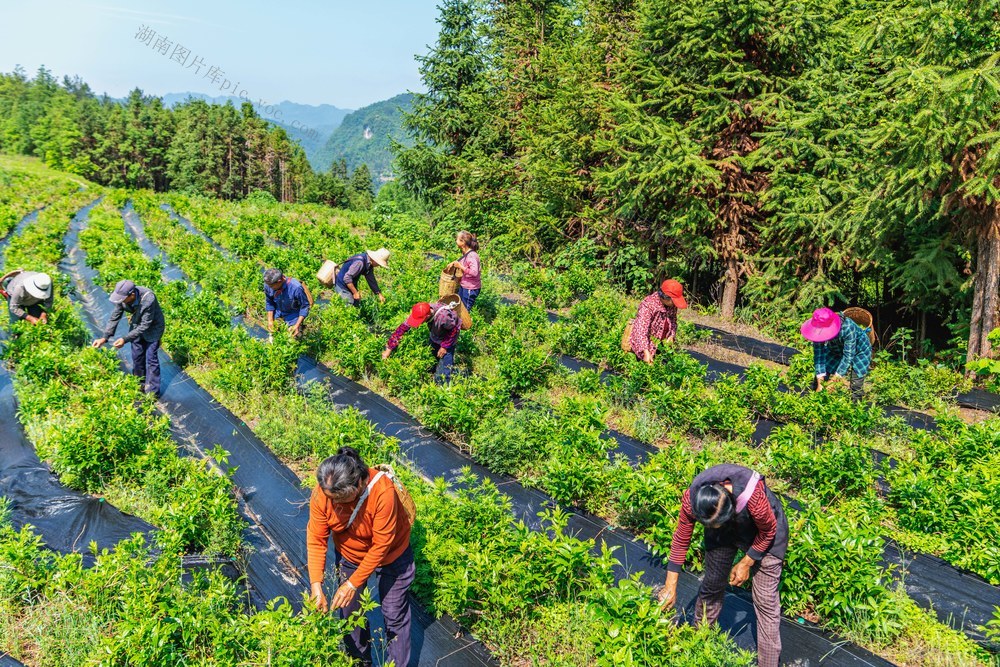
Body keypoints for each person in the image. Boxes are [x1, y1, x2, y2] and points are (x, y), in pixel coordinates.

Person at [658, 464, 788, 667]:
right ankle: (698, 646)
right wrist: (670, 585)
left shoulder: (753, 498)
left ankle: (769, 664)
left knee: (765, 602)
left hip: (765, 534)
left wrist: (747, 561)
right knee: (712, 585)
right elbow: (682, 538)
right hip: (723, 532)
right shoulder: (693, 499)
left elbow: (768, 531)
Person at [307, 447, 414, 667]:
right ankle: (359, 662)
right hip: (350, 553)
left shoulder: (382, 492)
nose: (335, 505)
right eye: (331, 499)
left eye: (342, 501)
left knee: (394, 615)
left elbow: (381, 545)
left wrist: (352, 583)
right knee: (349, 612)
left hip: (392, 552)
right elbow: (316, 539)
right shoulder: (323, 492)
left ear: (360, 484)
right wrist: (316, 585)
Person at [92, 279, 166, 397]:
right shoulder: (123, 298)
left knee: (151, 358)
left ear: (132, 295)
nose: (120, 301)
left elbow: (145, 325)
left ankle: (153, 392)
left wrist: (125, 339)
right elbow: (115, 317)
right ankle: (139, 383)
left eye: (122, 299)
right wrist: (104, 338)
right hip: (137, 324)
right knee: (137, 355)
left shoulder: (148, 298)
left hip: (153, 327)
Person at [801, 307, 872, 401]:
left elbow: (848, 356)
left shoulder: (847, 328)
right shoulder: (817, 331)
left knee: (856, 385)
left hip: (860, 350)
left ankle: (855, 408)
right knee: (819, 380)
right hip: (836, 349)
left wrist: (834, 381)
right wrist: (820, 383)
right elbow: (819, 356)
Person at [382, 300, 461, 383]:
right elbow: (402, 329)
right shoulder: (419, 312)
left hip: (448, 340)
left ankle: (444, 386)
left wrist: (444, 346)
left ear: (427, 316)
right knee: (432, 359)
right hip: (435, 336)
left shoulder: (443, 317)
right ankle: (430, 376)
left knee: (446, 367)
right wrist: (389, 349)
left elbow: (454, 330)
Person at [629, 279, 688, 363]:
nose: (675, 304)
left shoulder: (672, 305)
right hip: (648, 346)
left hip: (664, 345)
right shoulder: (648, 305)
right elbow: (641, 330)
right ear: (664, 297)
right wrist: (646, 352)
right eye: (673, 301)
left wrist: (671, 335)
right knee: (647, 372)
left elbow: (673, 321)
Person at [263, 268, 310, 338]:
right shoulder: (268, 284)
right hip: (278, 314)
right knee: (273, 336)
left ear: (279, 281)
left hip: (293, 316)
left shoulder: (296, 287)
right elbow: (269, 302)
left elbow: (305, 306)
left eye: (271, 286)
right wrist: (270, 321)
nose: (269, 287)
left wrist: (297, 325)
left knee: (294, 337)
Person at [448, 231, 481, 311]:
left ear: (463, 242)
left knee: (464, 311)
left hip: (470, 288)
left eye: (457, 239)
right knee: (459, 308)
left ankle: (465, 323)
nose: (456, 241)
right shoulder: (466, 253)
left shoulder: (472, 255)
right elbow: (464, 264)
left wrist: (460, 266)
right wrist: (454, 263)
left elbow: (474, 272)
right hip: (464, 286)